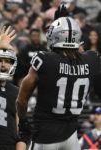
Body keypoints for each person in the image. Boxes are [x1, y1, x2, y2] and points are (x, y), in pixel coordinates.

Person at [16, 5, 100, 150]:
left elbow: (22, 100)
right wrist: (68, 29)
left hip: (46, 134)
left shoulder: (44, 60)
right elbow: (79, 52)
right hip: (72, 135)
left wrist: (23, 122)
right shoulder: (92, 59)